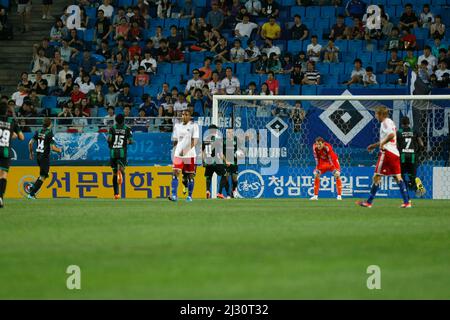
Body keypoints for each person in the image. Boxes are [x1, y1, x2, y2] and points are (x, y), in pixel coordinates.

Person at [357, 106, 411, 208]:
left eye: (377, 114)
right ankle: (407, 202)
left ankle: (368, 202)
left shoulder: (385, 123)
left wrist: (382, 145)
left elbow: (391, 135)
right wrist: (374, 145)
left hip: (387, 153)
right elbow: (388, 137)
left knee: (377, 176)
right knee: (398, 177)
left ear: (381, 114)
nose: (375, 116)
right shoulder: (390, 122)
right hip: (395, 153)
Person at [169, 110, 199, 202]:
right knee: (175, 173)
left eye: (186, 114)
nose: (184, 116)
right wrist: (174, 150)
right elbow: (175, 140)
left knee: (190, 176)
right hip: (178, 154)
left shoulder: (194, 126)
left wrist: (185, 150)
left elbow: (195, 141)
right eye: (183, 114)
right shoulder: (177, 126)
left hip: (189, 155)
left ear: (190, 116)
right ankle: (174, 195)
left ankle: (189, 196)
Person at [27, 117, 62, 199]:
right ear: (50, 124)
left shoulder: (38, 131)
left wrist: (31, 153)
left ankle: (32, 188)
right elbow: (53, 148)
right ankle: (31, 194)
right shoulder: (49, 133)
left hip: (38, 156)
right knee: (43, 176)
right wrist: (59, 150)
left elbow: (30, 143)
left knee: (43, 175)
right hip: (44, 157)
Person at [0, 102, 25, 207]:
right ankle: (0, 197)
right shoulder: (12, 121)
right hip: (5, 151)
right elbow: (21, 137)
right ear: (6, 111)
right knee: (3, 175)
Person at [396, 116, 426, 197]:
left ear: (401, 124)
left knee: (401, 176)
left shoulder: (399, 132)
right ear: (409, 123)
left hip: (403, 157)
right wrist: (418, 153)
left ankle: (406, 190)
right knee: (413, 176)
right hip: (413, 157)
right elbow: (421, 144)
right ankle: (419, 187)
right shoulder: (414, 131)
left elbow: (396, 145)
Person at [107, 114, 133, 199]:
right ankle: (121, 174)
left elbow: (109, 139)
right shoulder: (127, 129)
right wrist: (126, 142)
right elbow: (131, 141)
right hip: (122, 152)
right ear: (124, 120)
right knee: (122, 170)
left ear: (115, 120)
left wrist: (110, 144)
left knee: (114, 173)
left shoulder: (112, 128)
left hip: (113, 152)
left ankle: (116, 194)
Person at [203, 125, 229, 199]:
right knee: (225, 174)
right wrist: (226, 160)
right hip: (216, 160)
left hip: (208, 160)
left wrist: (203, 161)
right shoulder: (217, 139)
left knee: (209, 176)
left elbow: (203, 152)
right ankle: (220, 193)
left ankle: (207, 191)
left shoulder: (205, 139)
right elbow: (220, 153)